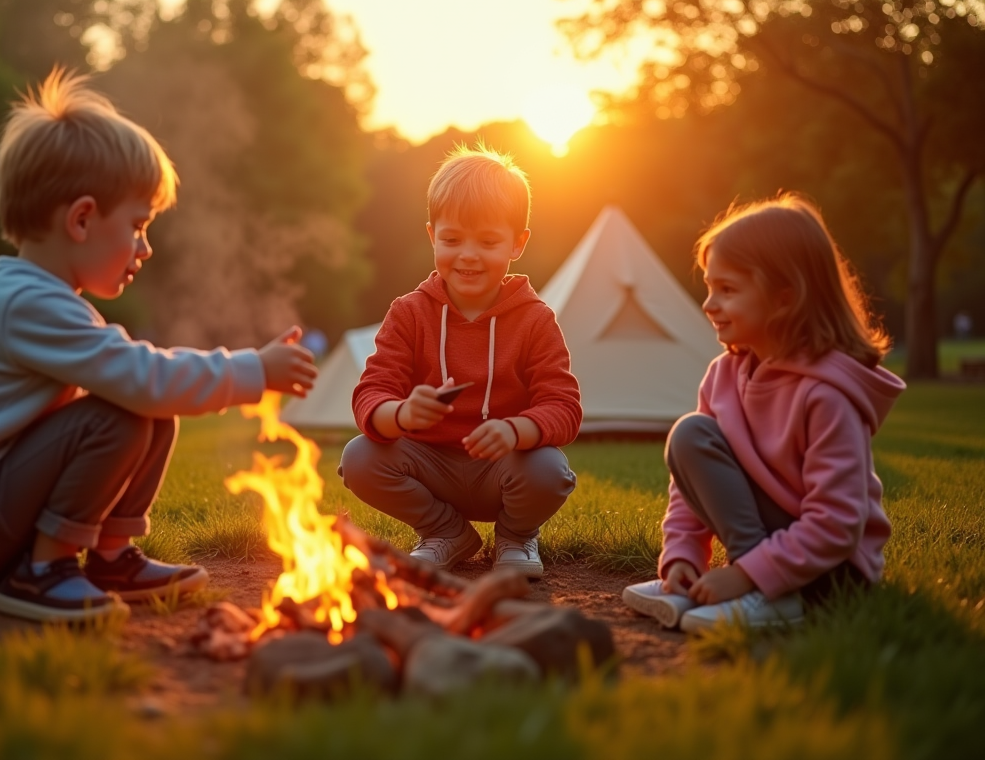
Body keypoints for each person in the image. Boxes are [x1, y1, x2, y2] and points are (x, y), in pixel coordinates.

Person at [0, 70, 317, 623]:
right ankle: (43, 573)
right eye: (138, 226)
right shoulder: (26, 303)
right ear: (82, 218)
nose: (145, 247)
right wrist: (253, 370)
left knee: (149, 409)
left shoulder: (37, 295)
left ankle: (110, 558)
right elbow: (143, 376)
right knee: (127, 411)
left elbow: (145, 382)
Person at [622, 194, 905, 633]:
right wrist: (683, 555)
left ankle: (768, 593)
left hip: (831, 571)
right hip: (763, 545)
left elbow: (837, 523)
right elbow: (691, 486)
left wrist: (746, 573)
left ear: (784, 298)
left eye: (728, 289)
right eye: (709, 287)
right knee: (691, 435)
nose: (709, 304)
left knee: (694, 436)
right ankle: (716, 587)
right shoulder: (723, 375)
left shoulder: (826, 395)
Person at [338, 145, 582, 578]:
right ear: (432, 235)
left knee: (550, 468)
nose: (467, 255)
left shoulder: (535, 319)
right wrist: (402, 413)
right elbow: (370, 393)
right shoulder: (409, 313)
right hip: (429, 465)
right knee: (359, 458)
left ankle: (516, 537)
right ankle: (446, 533)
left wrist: (514, 430)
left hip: (505, 468)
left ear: (517, 243)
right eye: (452, 240)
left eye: (488, 242)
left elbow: (563, 407)